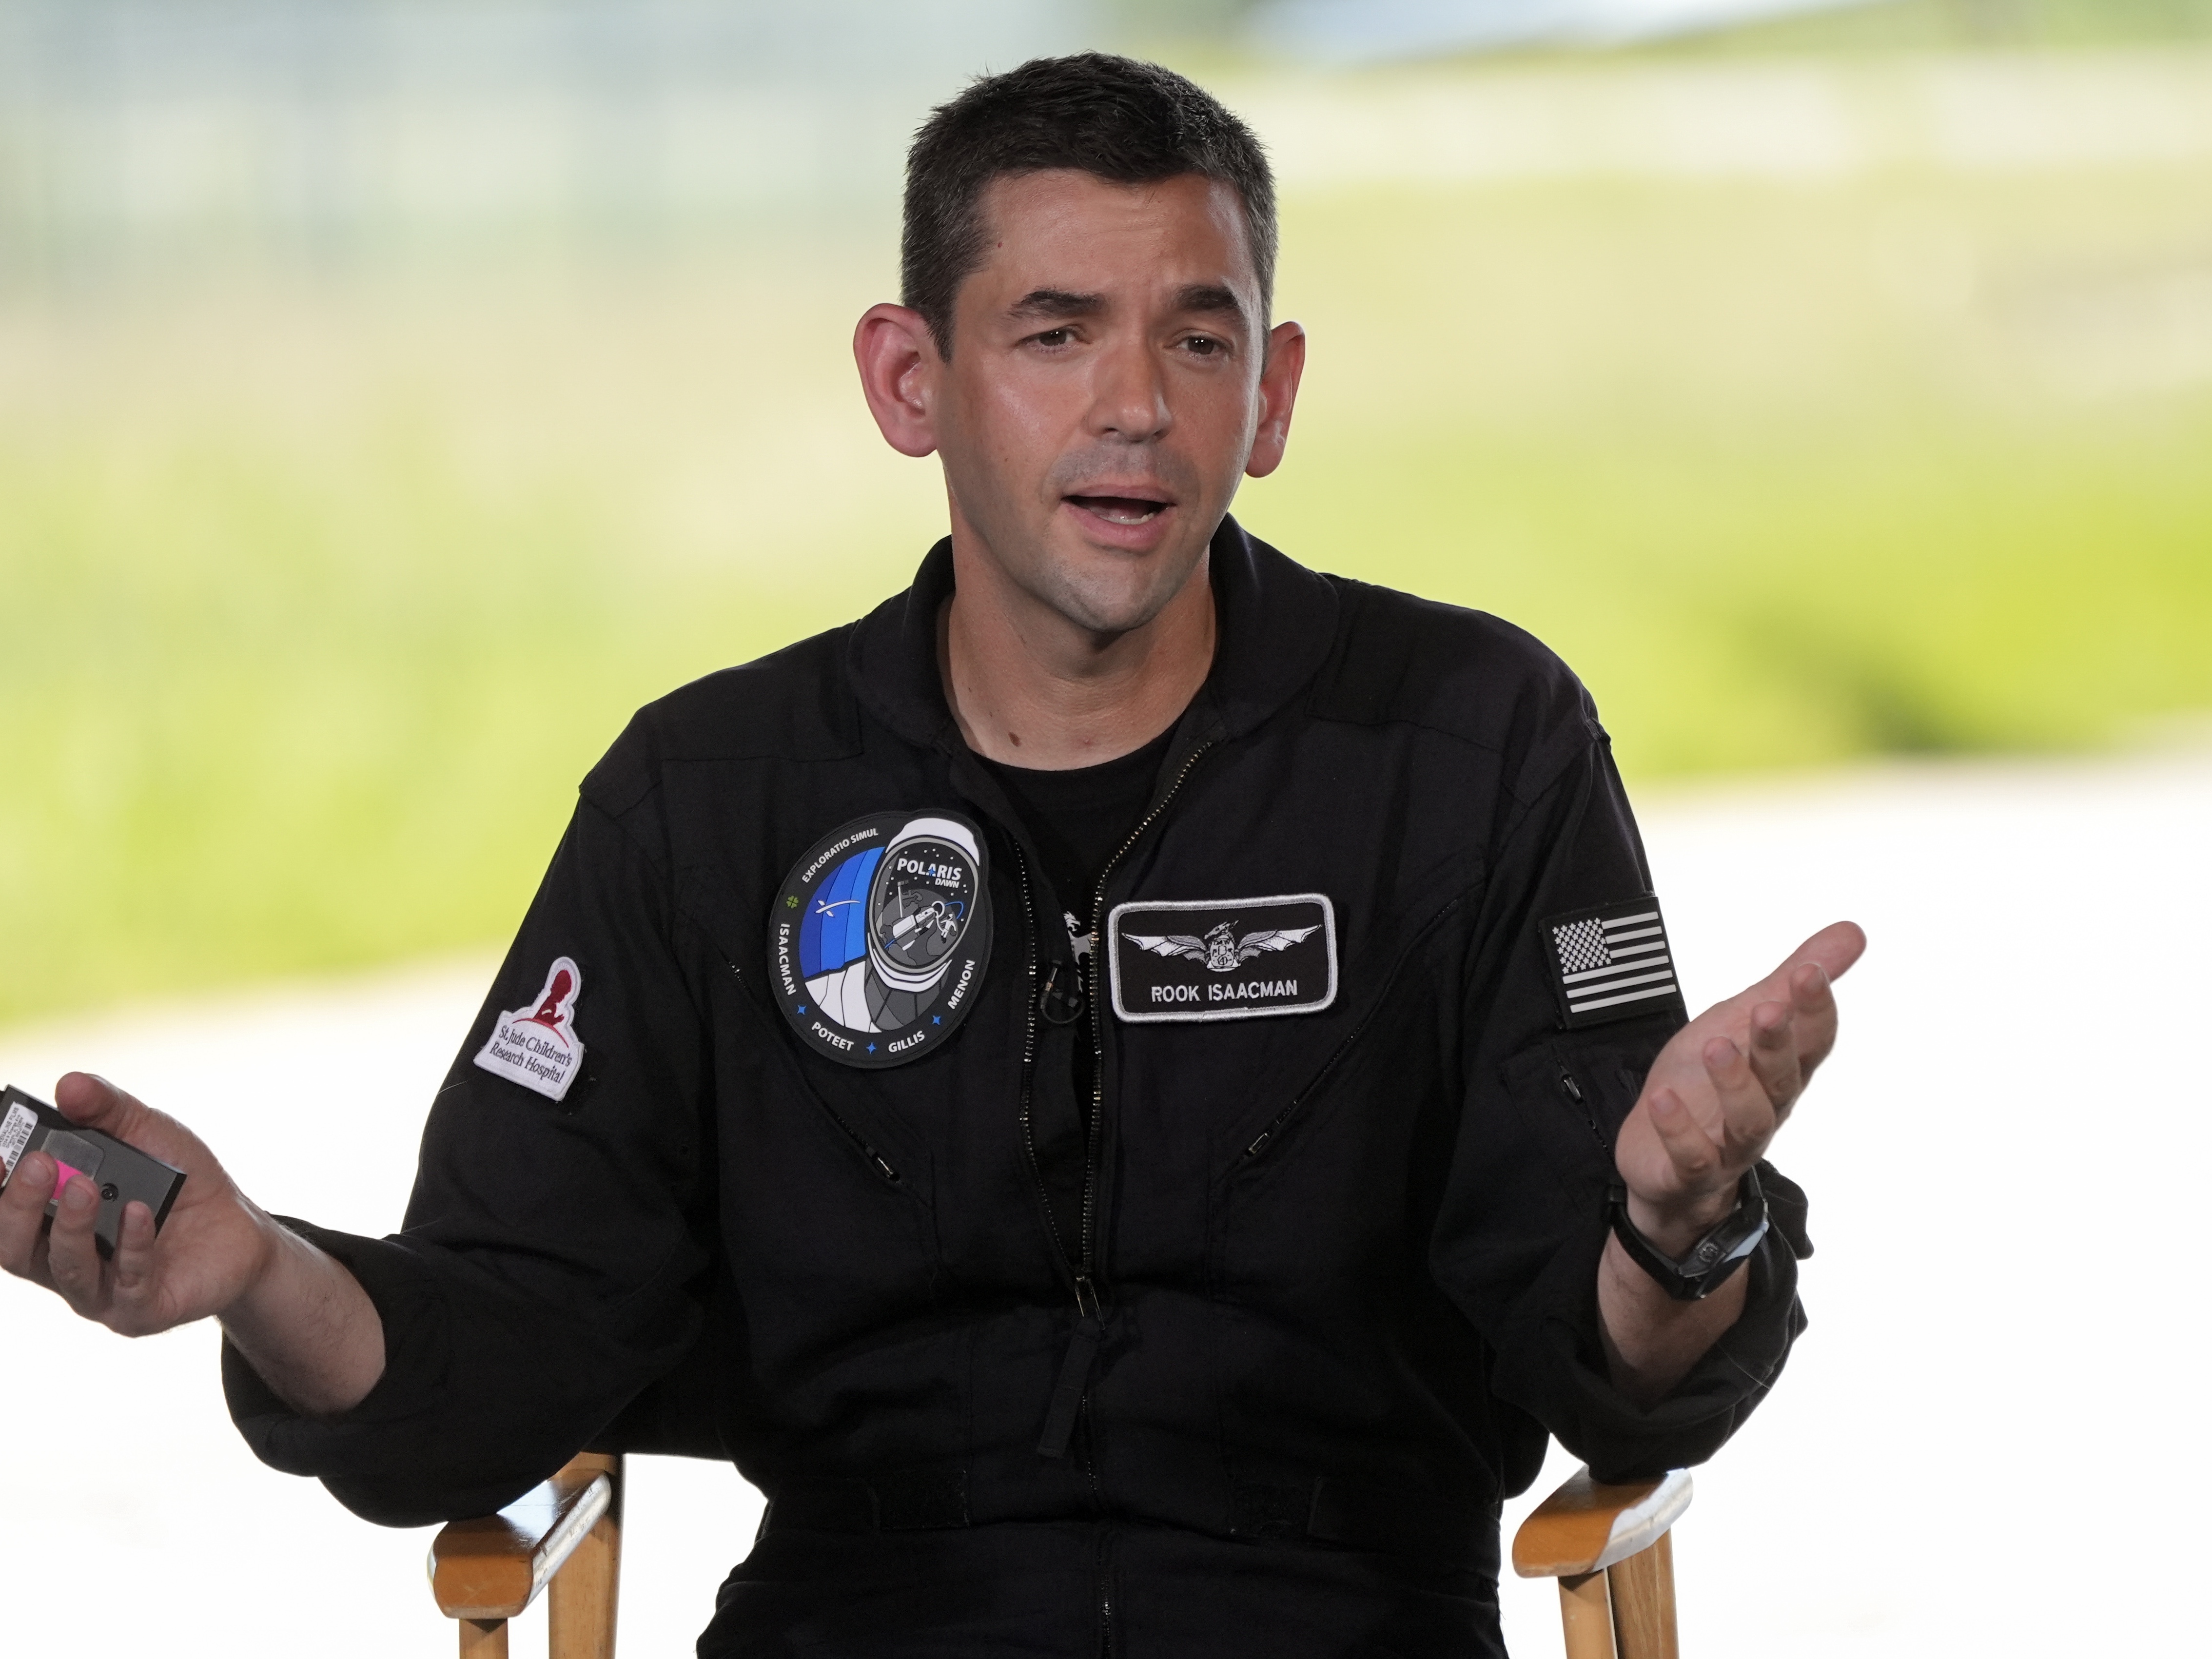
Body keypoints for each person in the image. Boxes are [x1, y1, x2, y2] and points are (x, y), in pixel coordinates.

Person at [0, 53, 1863, 1658]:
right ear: (910, 380)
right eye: (1056, 333)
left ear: (1272, 394)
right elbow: (492, 1363)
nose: (1134, 403)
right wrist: (252, 1271)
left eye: (1195, 337)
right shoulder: (710, 796)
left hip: (1341, 1613)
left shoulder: (1468, 746)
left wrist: (1674, 1214)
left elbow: (1619, 1362)